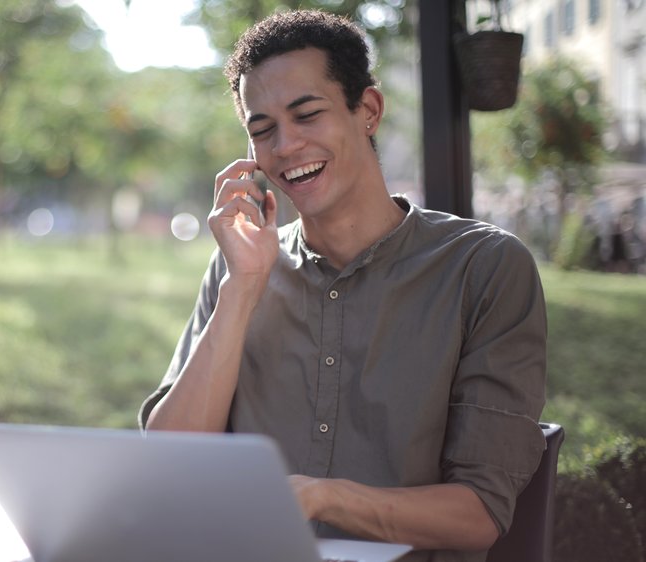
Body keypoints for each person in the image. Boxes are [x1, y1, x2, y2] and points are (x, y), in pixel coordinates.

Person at [138, 10, 546, 562]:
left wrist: (320, 498)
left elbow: (479, 514)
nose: (285, 146)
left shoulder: (485, 268)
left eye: (307, 115)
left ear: (369, 111)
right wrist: (242, 289)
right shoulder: (240, 266)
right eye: (262, 130)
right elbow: (167, 464)